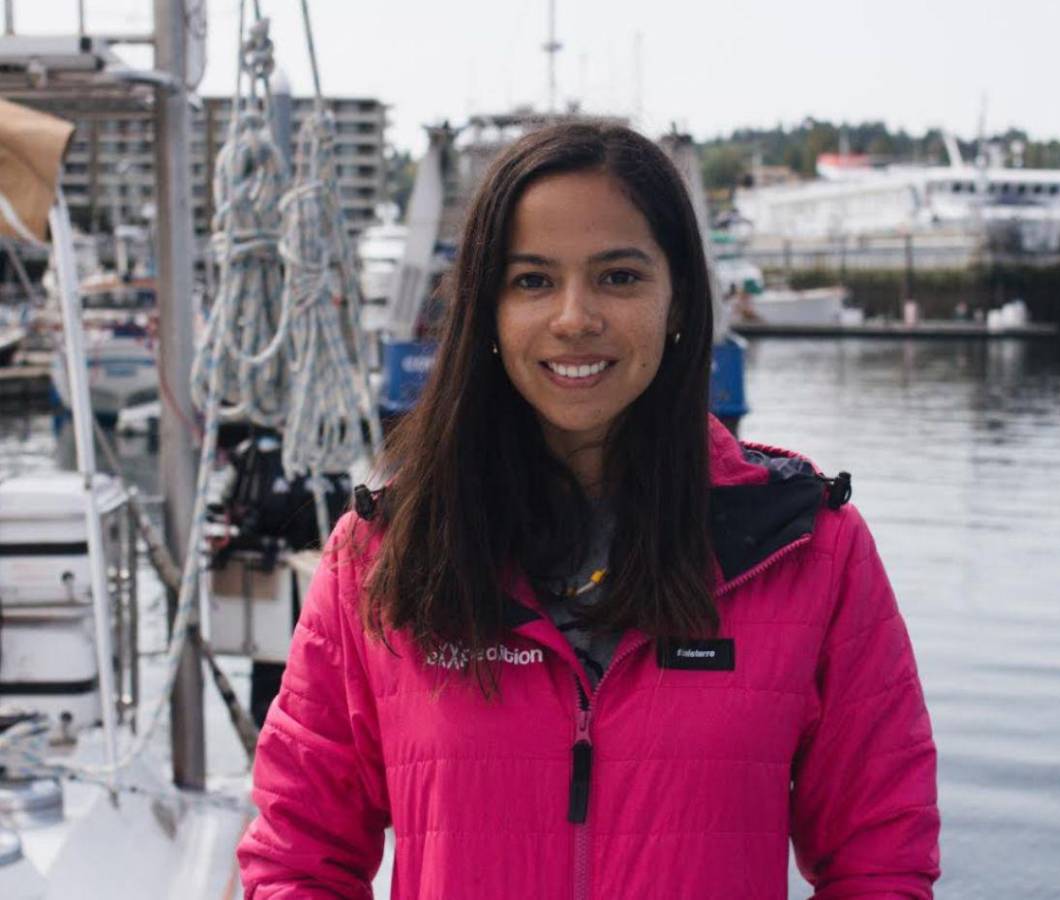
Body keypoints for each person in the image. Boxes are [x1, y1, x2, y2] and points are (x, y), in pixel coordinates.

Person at [237, 122, 940, 898]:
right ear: (486, 310)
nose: (574, 317)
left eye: (619, 277)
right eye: (533, 281)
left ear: (678, 297)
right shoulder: (380, 556)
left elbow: (881, 859)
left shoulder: (808, 550)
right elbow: (298, 854)